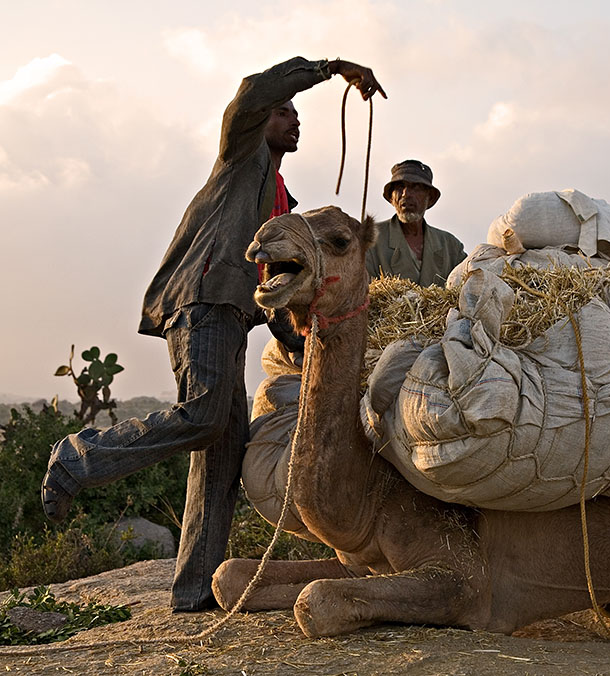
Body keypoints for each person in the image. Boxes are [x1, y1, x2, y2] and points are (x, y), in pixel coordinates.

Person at [41, 56, 386, 612]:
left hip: (233, 320)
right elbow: (252, 91)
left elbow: (275, 292)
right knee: (202, 415)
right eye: (283, 112)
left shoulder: (281, 202)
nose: (293, 120)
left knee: (223, 450)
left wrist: (319, 345)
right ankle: (76, 457)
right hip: (200, 302)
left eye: (297, 114)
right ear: (260, 121)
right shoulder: (239, 156)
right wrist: (330, 68)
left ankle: (193, 591)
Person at [366, 160, 466, 286]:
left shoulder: (451, 246)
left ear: (429, 198)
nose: (406, 194)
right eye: (400, 187)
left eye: (416, 187)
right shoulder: (370, 238)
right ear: (391, 198)